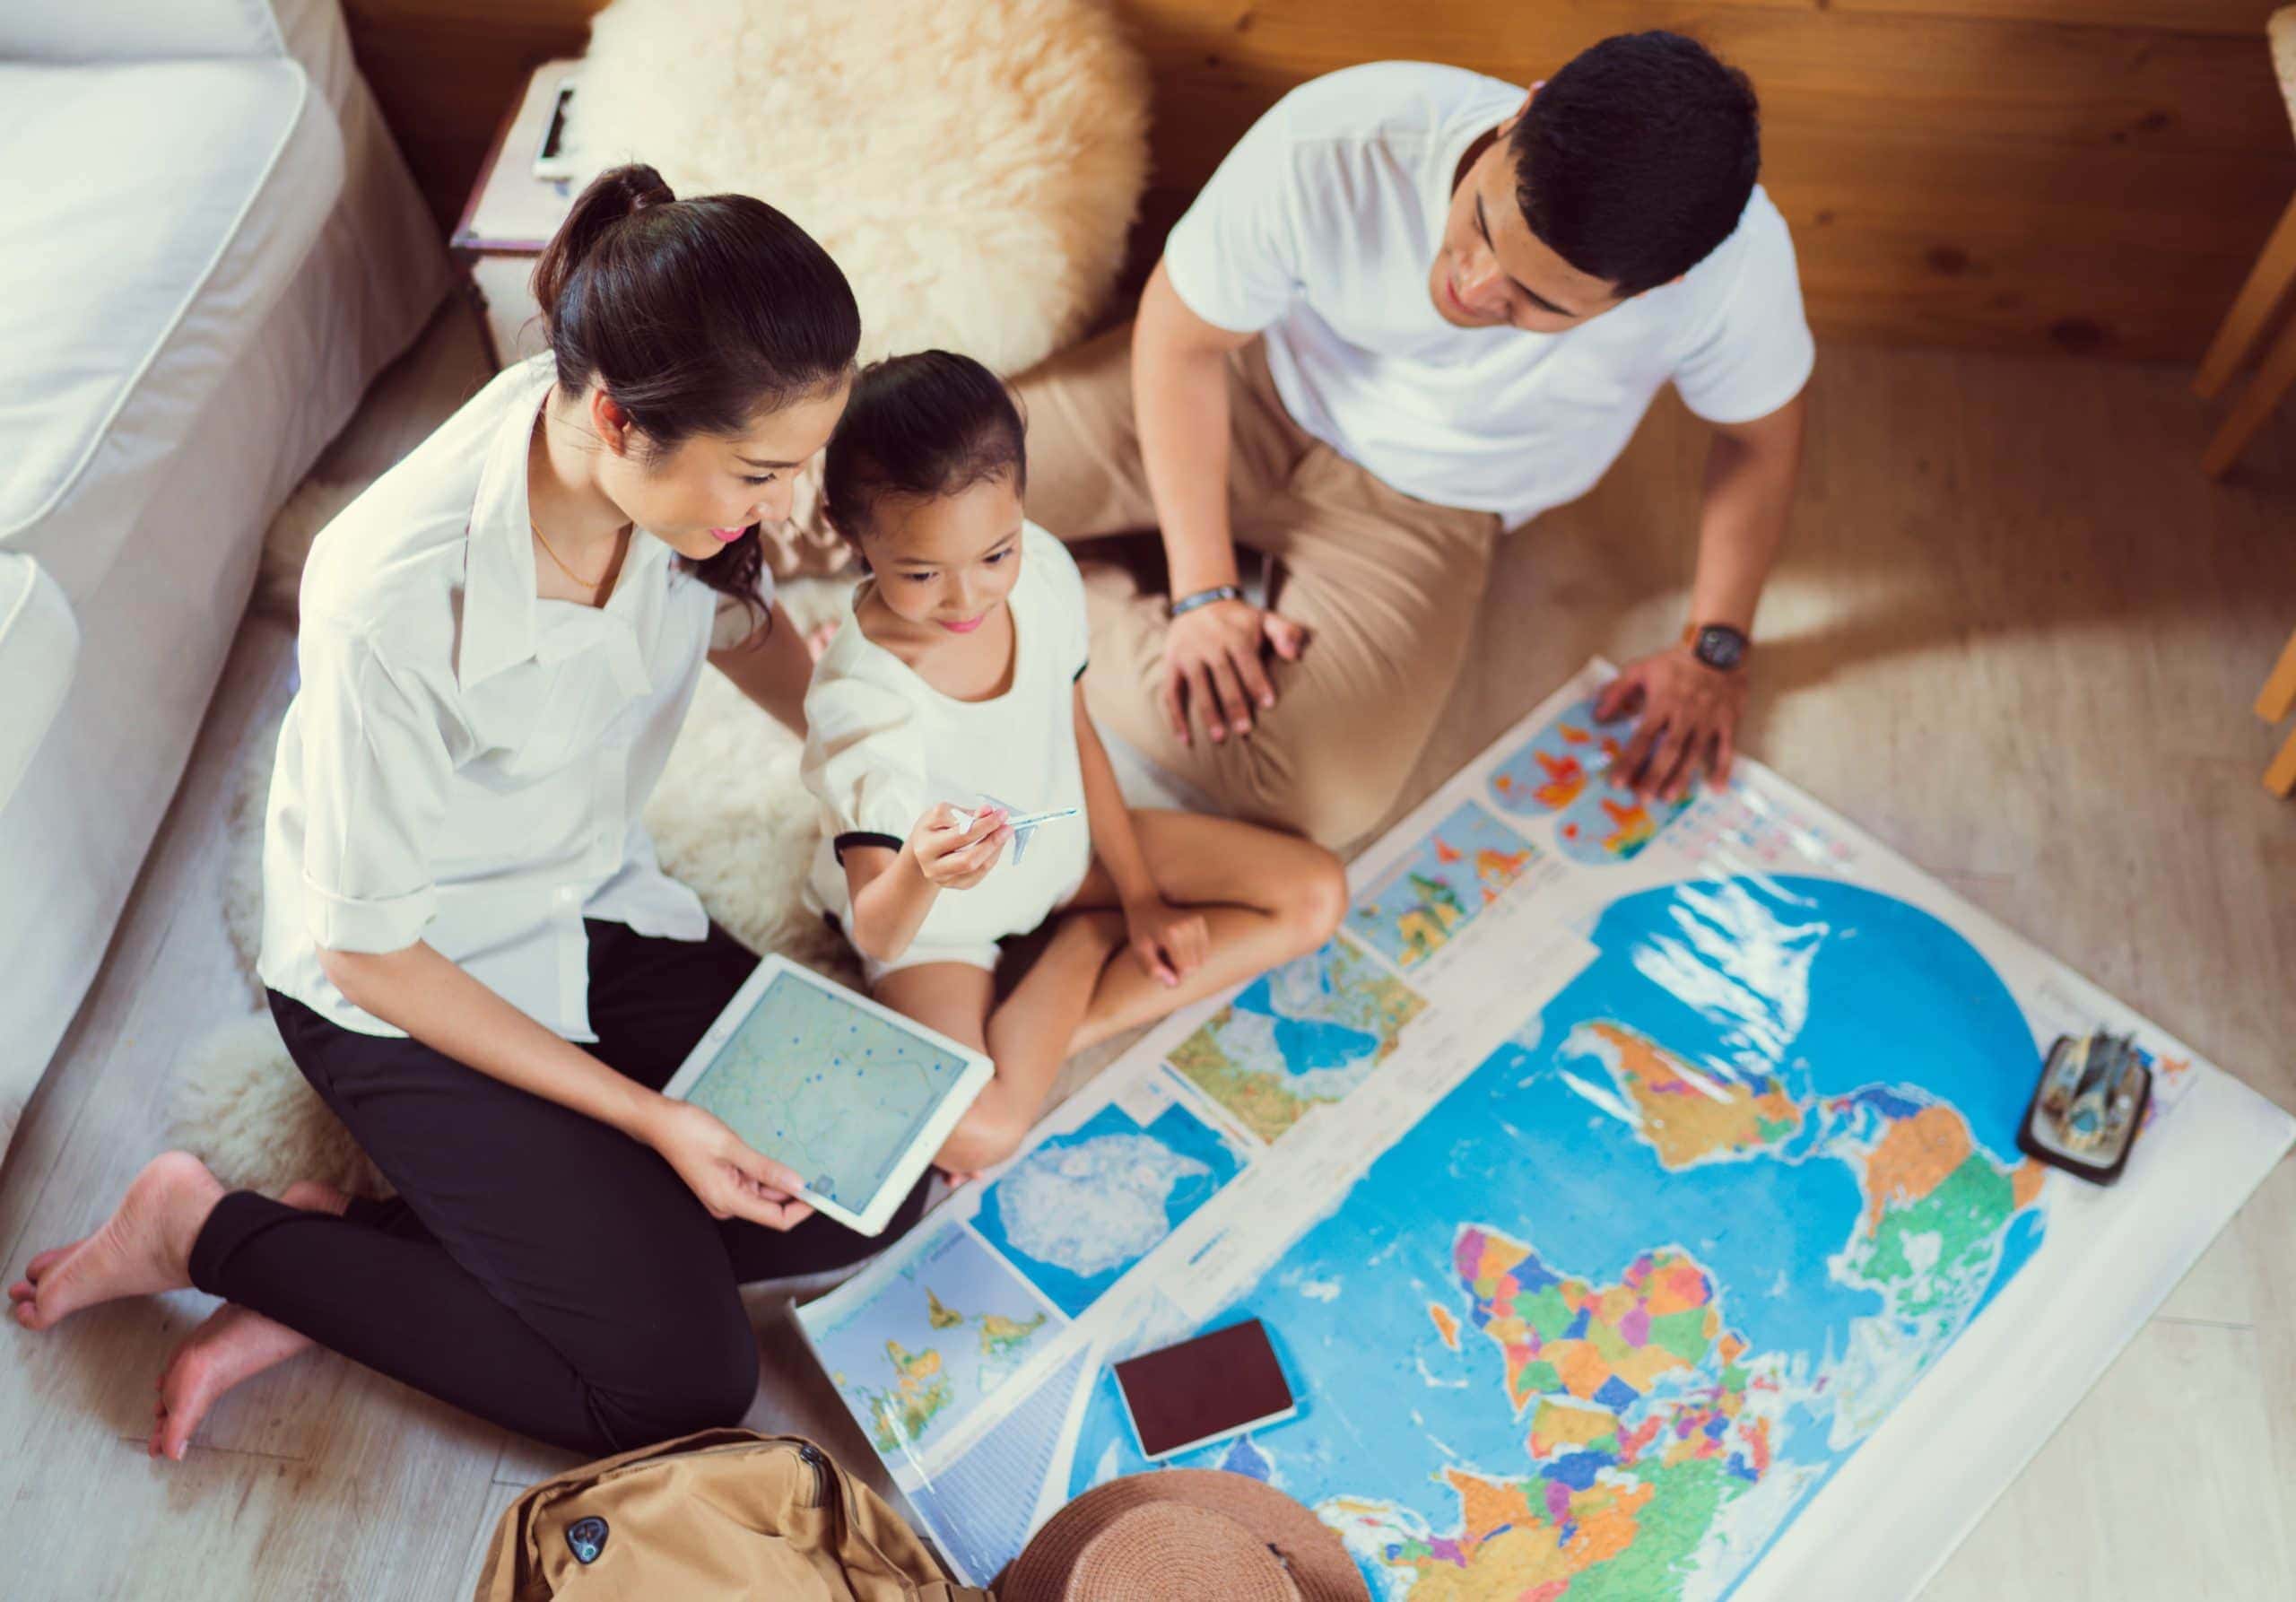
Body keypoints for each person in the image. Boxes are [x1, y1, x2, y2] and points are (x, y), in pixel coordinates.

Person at [9, 165, 905, 1460]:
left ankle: (377, 1251)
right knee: (682, 1379)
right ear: (617, 421)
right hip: (405, 981)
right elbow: (369, 951)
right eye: (763, 473)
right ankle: (205, 1230)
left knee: (873, 1178)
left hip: (589, 900)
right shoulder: (388, 592)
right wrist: (650, 1119)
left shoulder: (655, 479)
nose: (785, 508)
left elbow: (742, 627)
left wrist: (876, 763)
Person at [1017, 31, 1813, 848]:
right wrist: (1202, 592)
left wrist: (1714, 651)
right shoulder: (1343, 132)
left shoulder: (1734, 270)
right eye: (1481, 222)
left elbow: (1758, 439)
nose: (1472, 283)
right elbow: (1182, 339)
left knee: (1316, 790)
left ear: (1659, 287)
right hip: (1244, 380)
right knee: (929, 477)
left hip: (1430, 507)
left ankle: (1021, 586)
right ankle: (1024, 573)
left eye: (1536, 300)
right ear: (1524, 112)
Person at [805, 351, 1347, 1173]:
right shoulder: (860, 698)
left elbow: (1077, 731)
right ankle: (1082, 948)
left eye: (996, 553)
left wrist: (1140, 896)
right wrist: (921, 868)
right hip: (941, 923)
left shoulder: (1045, 572)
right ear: (849, 536)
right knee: (977, 1133)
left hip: (1061, 843)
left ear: (1021, 506)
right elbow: (877, 922)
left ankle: (1055, 992)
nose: (968, 598)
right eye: (921, 573)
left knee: (1314, 896)